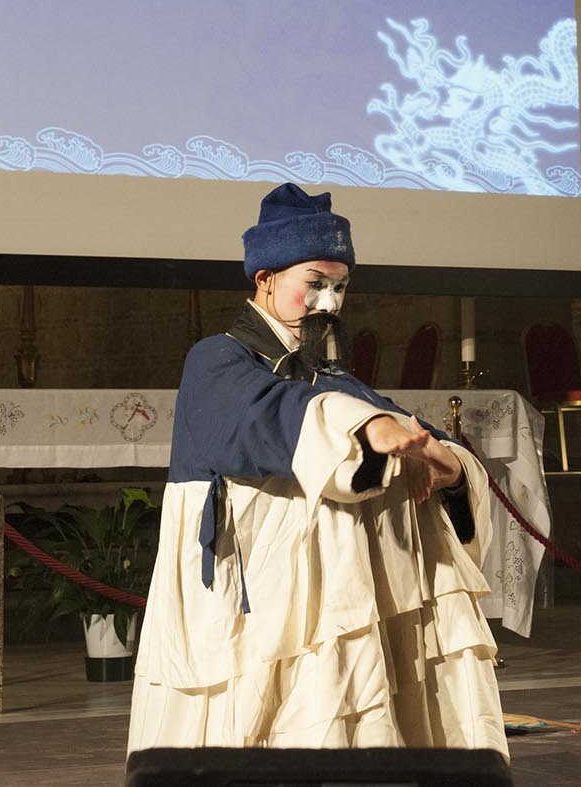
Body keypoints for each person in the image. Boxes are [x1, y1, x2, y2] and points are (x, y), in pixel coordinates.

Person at [127, 183, 507, 754]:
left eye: (340, 287)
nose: (329, 303)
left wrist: (446, 465)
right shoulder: (218, 358)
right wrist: (366, 429)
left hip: (330, 608)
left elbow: (412, 431)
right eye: (316, 283)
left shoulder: (332, 379)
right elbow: (264, 415)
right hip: (250, 608)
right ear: (265, 279)